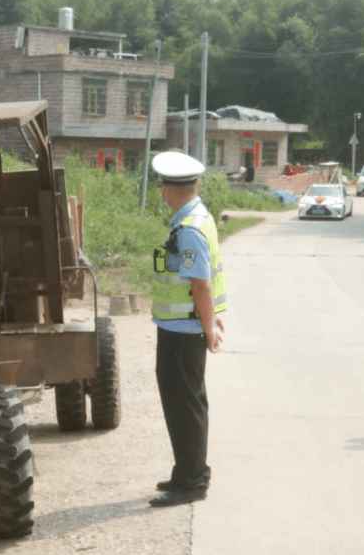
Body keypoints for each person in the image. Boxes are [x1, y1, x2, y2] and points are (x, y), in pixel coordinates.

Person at [148, 151, 226, 508]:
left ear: (167, 190)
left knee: (185, 407)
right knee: (183, 404)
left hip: (183, 332)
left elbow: (202, 285)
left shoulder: (190, 229)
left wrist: (209, 327)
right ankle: (185, 473)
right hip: (179, 329)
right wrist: (209, 320)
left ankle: (192, 482)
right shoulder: (198, 217)